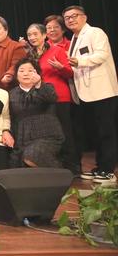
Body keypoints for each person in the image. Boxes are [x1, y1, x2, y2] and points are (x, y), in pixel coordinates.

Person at [64, 5, 118, 183]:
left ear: (84, 17)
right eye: (67, 18)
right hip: (85, 93)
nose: (71, 20)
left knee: (106, 131)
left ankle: (108, 169)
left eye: (74, 16)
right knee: (95, 132)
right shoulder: (74, 38)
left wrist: (79, 61)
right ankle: (100, 167)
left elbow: (102, 54)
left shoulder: (95, 33)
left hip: (102, 91)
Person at [26, 23, 77, 173]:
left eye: (35, 34)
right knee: (49, 133)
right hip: (41, 99)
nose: (32, 37)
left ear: (44, 35)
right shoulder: (30, 55)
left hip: (59, 98)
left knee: (64, 132)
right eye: (29, 35)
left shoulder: (57, 50)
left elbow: (70, 73)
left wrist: (60, 68)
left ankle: (73, 167)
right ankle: (55, 166)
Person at [8, 58, 64, 169]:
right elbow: (9, 117)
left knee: (32, 156)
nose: (26, 74)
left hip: (47, 136)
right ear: (16, 75)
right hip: (22, 139)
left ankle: (59, 174)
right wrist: (6, 132)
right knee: (14, 165)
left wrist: (39, 84)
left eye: (30, 70)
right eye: (22, 70)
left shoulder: (46, 87)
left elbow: (51, 97)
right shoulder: (11, 94)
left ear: (37, 73)